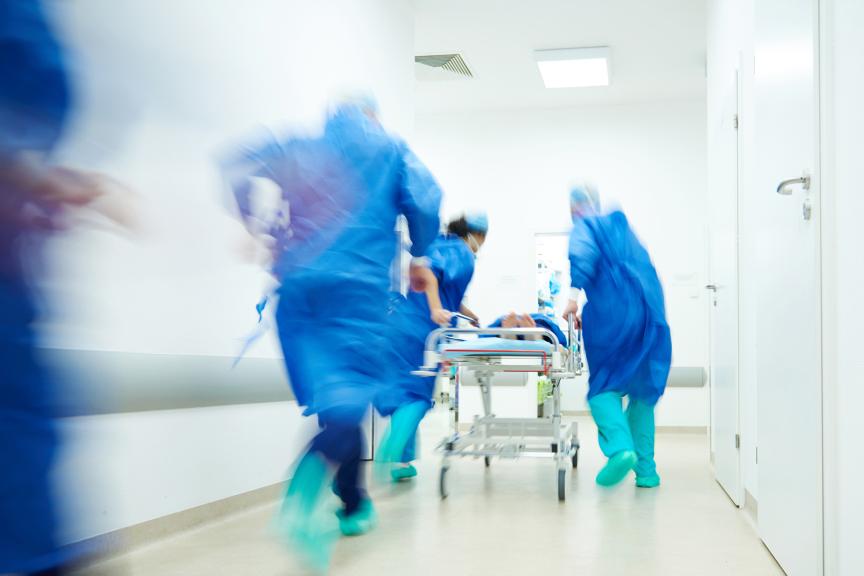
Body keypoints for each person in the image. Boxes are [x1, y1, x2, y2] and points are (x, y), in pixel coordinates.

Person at [221, 95, 441, 570]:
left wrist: (254, 224)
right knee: (349, 401)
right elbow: (426, 200)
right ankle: (301, 500)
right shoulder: (390, 149)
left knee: (337, 404)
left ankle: (353, 502)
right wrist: (420, 255)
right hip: (354, 294)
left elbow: (236, 162)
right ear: (372, 118)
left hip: (297, 295)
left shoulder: (303, 143)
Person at [562, 183, 671, 488]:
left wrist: (572, 298)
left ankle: (621, 451)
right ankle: (647, 473)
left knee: (602, 390)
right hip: (650, 315)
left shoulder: (586, 226)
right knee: (642, 395)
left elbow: (582, 255)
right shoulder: (624, 229)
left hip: (611, 317)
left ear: (575, 207)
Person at [376, 214, 487, 482]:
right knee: (418, 396)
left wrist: (468, 314)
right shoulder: (462, 252)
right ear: (477, 235)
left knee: (404, 394)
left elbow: (441, 287)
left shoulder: (439, 243)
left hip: (400, 324)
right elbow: (428, 274)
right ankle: (390, 452)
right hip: (423, 332)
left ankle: (401, 464)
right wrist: (437, 308)